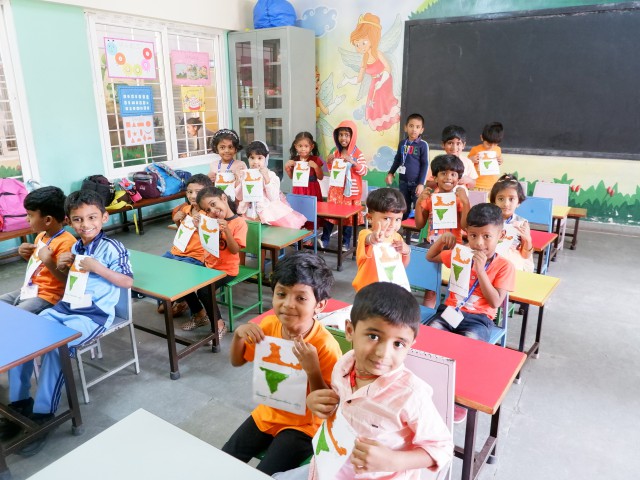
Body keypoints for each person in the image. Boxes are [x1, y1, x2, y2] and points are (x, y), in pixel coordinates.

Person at [274, 282, 453, 480]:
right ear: (350, 330)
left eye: (398, 344)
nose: (383, 353)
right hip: (327, 468)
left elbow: (443, 447)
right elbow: (339, 407)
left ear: (410, 345)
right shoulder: (345, 365)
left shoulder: (410, 394)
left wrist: (394, 461)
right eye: (373, 336)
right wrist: (319, 402)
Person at [0, 190, 133, 455]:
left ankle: (44, 414)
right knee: (25, 334)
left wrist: (97, 267)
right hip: (66, 306)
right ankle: (19, 402)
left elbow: (127, 281)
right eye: (78, 219)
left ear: (105, 217)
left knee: (55, 347)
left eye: (92, 217)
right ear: (70, 221)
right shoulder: (75, 247)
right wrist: (61, 265)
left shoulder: (112, 247)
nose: (86, 224)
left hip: (93, 316)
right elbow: (67, 282)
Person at [222, 252, 342, 475]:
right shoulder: (268, 326)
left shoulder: (325, 346)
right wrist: (238, 335)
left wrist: (313, 370)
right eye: (281, 294)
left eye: (301, 298)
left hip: (303, 426)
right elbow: (237, 361)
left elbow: (328, 406)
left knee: (264, 474)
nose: (288, 304)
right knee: (224, 458)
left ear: (320, 305)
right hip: (268, 412)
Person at [426, 202, 516, 342]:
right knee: (429, 338)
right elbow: (430, 257)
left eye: (487, 236)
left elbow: (495, 302)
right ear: (467, 233)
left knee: (467, 347)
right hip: (450, 311)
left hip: (479, 320)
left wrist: (481, 271)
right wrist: (442, 240)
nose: (479, 243)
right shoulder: (461, 254)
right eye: (473, 235)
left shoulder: (505, 266)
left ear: (501, 235)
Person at [180, 186, 247, 338]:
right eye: (207, 210)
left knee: (204, 291)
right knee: (185, 280)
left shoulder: (239, 223)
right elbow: (206, 242)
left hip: (227, 270)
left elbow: (235, 250)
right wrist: (199, 227)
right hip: (209, 265)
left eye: (213, 204)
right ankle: (199, 314)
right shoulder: (210, 220)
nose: (213, 211)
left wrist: (226, 231)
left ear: (223, 198)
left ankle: (218, 325)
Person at [0, 186, 75, 314]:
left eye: (30, 215)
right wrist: (26, 255)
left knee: (15, 315)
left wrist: (48, 261)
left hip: (49, 296)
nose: (27, 219)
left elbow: (68, 280)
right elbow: (38, 267)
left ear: (47, 220)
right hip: (30, 289)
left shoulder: (67, 243)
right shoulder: (41, 236)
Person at [415, 154, 470, 308]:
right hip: (432, 246)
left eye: (453, 174)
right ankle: (429, 308)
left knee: (456, 286)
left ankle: (451, 310)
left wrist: (466, 202)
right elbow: (419, 225)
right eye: (443, 173)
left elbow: (465, 226)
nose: (448, 178)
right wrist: (419, 202)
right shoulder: (430, 198)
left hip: (454, 247)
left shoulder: (459, 199)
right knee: (431, 288)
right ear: (435, 177)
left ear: (458, 178)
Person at [157, 174, 213, 318]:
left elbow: (212, 240)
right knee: (157, 268)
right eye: (189, 192)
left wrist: (201, 226)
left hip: (196, 256)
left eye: (198, 192)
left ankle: (198, 311)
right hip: (177, 252)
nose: (193, 196)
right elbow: (184, 233)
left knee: (180, 274)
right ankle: (176, 300)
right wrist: (177, 221)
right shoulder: (185, 209)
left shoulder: (209, 213)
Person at [340, 12, 400, 131]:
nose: (360, 47)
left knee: (384, 104)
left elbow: (387, 68)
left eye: (363, 42)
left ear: (372, 38)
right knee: (372, 106)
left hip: (385, 80)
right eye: (357, 44)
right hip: (374, 82)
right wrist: (348, 80)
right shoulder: (364, 58)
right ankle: (381, 127)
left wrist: (381, 82)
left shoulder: (377, 53)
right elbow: (360, 78)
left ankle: (390, 123)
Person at [320, 120, 368, 251]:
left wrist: (354, 162)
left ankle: (345, 243)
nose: (343, 138)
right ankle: (324, 240)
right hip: (336, 192)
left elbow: (364, 171)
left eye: (347, 135)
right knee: (330, 215)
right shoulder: (336, 153)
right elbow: (333, 172)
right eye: (341, 135)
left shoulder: (358, 154)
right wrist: (329, 162)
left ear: (352, 136)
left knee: (348, 218)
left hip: (350, 193)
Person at [352, 188, 410, 292]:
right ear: (370, 218)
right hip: (368, 291)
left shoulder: (397, 237)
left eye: (398, 219)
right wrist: (373, 238)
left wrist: (407, 251)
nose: (392, 225)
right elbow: (368, 239)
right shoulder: (365, 234)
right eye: (386, 218)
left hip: (389, 290)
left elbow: (401, 266)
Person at [237, 141, 306, 228]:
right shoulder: (245, 174)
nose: (255, 161)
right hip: (249, 212)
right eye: (252, 158)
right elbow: (239, 196)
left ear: (265, 159)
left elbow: (273, 197)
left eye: (259, 158)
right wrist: (239, 180)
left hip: (268, 212)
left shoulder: (271, 175)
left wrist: (266, 178)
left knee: (275, 232)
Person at [386, 113, 429, 219]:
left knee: (419, 208)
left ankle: (418, 228)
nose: (414, 129)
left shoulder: (423, 145)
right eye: (411, 126)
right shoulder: (402, 143)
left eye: (417, 127)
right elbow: (397, 160)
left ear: (422, 130)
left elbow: (425, 164)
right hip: (403, 182)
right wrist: (391, 173)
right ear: (406, 127)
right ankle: (403, 227)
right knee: (403, 207)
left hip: (416, 184)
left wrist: (421, 184)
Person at [490, 174, 534, 272]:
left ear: (519, 202)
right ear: (494, 201)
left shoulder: (522, 223)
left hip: (513, 262)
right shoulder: (488, 220)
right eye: (501, 199)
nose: (506, 204)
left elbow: (525, 255)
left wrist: (527, 239)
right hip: (491, 259)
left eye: (511, 199)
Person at [425, 125, 477, 190]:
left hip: (460, 196)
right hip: (441, 196)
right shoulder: (438, 162)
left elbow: (473, 184)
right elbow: (429, 184)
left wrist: (469, 180)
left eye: (458, 143)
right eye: (450, 143)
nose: (454, 147)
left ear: (463, 145)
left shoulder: (468, 162)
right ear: (443, 144)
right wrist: (440, 180)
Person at [285, 131, 324, 203]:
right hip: (298, 189)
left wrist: (316, 167)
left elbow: (320, 177)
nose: (303, 149)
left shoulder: (316, 160)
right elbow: (292, 177)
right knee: (299, 206)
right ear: (296, 146)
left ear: (311, 147)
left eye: (306, 146)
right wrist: (287, 167)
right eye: (300, 146)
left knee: (312, 207)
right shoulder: (295, 160)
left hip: (312, 189)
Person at [468, 122, 504, 191]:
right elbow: (467, 164)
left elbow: (498, 163)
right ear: (482, 138)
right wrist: (471, 160)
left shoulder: (498, 149)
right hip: (477, 184)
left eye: (495, 144)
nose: (491, 147)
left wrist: (500, 161)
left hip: (492, 184)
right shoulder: (475, 149)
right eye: (488, 144)